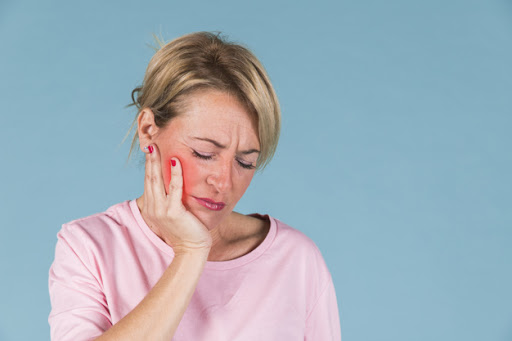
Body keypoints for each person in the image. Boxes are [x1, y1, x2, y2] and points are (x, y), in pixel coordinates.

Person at [48, 31, 341, 340]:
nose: (224, 181)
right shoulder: (89, 247)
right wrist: (189, 252)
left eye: (245, 162)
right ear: (148, 130)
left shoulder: (295, 260)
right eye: (205, 153)